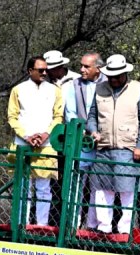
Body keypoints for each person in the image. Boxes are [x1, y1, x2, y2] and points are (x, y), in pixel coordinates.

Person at [86, 54, 140, 234]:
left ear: (125, 73)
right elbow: (92, 116)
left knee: (127, 190)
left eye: (117, 75)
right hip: (103, 147)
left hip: (127, 148)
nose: (114, 79)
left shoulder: (138, 89)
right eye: (111, 75)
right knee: (101, 189)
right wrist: (93, 131)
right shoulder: (100, 89)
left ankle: (125, 230)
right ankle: (103, 227)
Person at [7, 55, 64, 226]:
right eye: (40, 70)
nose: (44, 73)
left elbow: (58, 116)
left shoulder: (55, 90)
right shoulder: (18, 90)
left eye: (46, 70)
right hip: (23, 144)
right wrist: (26, 136)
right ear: (30, 71)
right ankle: (21, 223)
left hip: (46, 145)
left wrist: (46, 134)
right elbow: (12, 117)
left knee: (44, 188)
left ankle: (41, 225)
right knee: (23, 187)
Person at [65, 52, 107, 230]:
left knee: (99, 185)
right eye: (81, 65)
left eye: (86, 66)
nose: (82, 69)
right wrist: (81, 131)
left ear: (98, 68)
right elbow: (70, 113)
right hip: (82, 142)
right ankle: (72, 223)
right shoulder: (74, 85)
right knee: (76, 182)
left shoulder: (108, 84)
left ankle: (93, 225)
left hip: (102, 142)